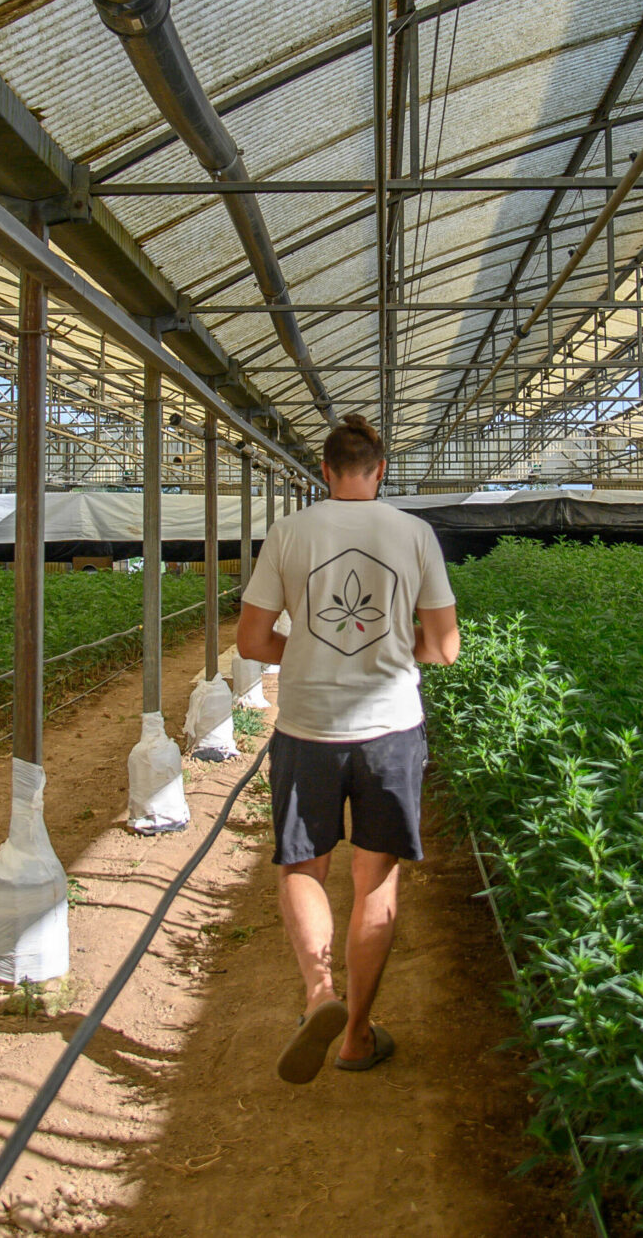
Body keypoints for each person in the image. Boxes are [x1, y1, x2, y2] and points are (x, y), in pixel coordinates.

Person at [237, 413, 459, 1083]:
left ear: (325, 471)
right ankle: (357, 1036)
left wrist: (303, 651)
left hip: (307, 726)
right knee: (377, 879)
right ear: (380, 469)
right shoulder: (414, 533)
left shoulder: (290, 532)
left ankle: (317, 994)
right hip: (390, 727)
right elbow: (444, 647)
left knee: (303, 865)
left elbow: (251, 641)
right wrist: (394, 653)